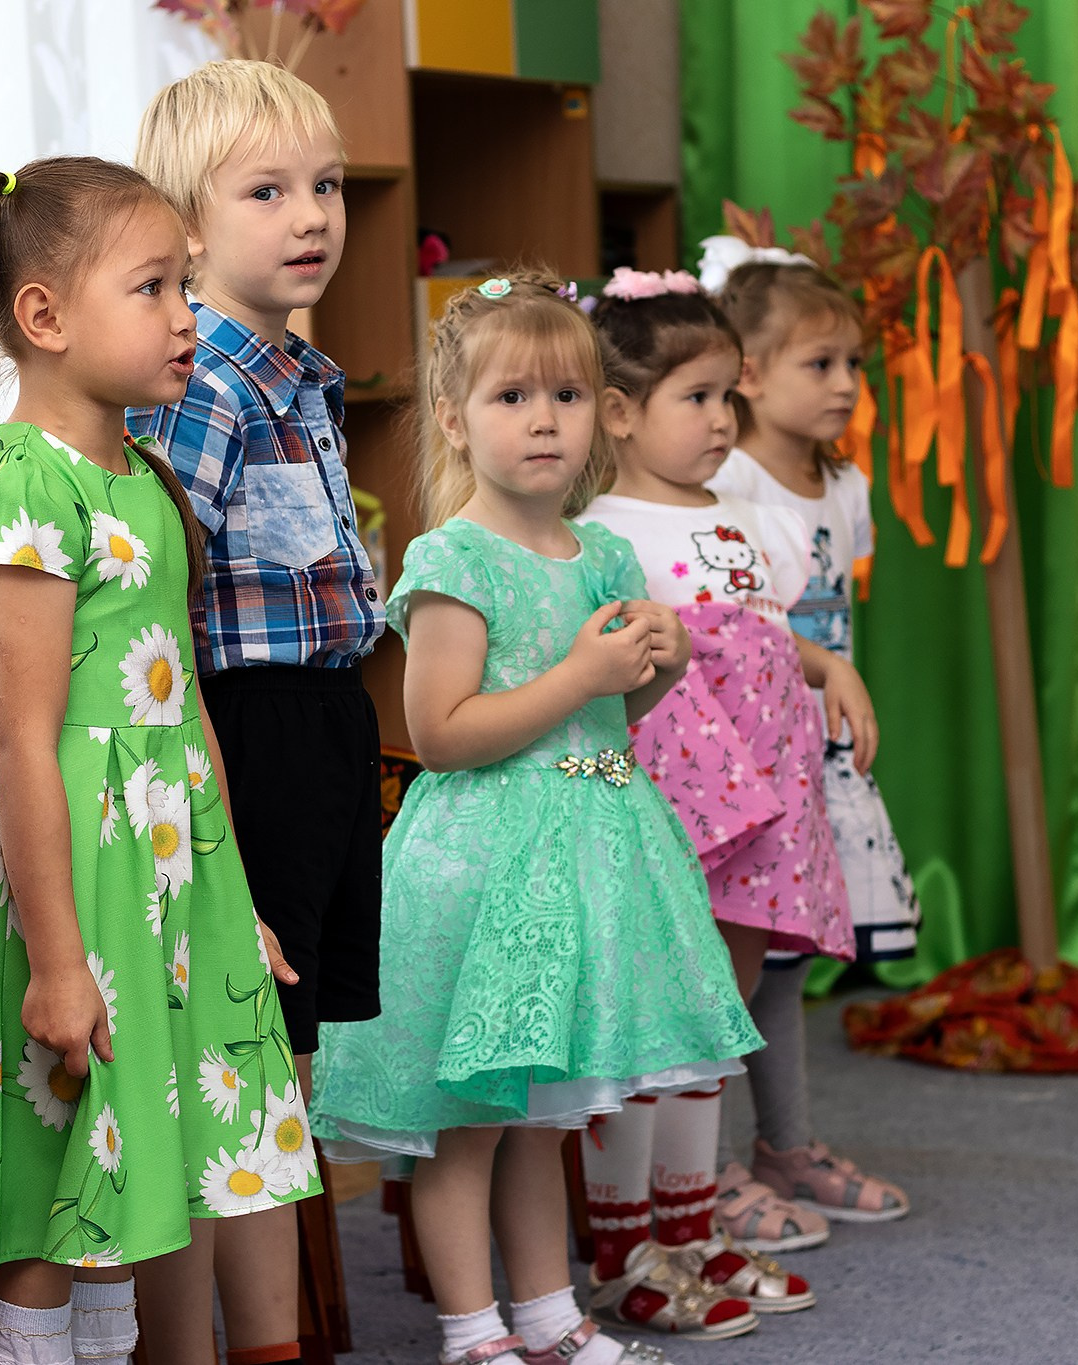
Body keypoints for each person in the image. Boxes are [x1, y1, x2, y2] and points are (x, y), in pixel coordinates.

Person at [314, 274, 766, 1363]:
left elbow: (603, 716)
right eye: (511, 397)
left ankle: (551, 1316)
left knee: (539, 1124)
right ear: (454, 420)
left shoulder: (602, 554)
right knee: (470, 1127)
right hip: (487, 872)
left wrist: (656, 670)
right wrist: (580, 674)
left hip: (588, 859)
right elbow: (440, 733)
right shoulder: (452, 560)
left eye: (566, 395)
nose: (544, 420)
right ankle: (473, 1334)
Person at [0, 156, 316, 1365]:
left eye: (184, 288)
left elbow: (180, 712)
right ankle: (27, 1347)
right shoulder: (23, 479)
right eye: (153, 289)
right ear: (42, 316)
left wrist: (231, 899)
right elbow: (25, 737)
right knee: (53, 1142)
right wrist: (54, 959)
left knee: (127, 1146)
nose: (185, 318)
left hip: (161, 862)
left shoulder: (143, 477)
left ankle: (99, 1344)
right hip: (68, 868)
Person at [128, 58, 384, 1365]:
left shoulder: (304, 375)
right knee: (248, 1047)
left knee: (294, 1049)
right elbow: (159, 599)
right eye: (268, 191)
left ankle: (278, 1332)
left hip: (330, 717)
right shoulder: (199, 385)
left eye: (326, 187)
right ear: (186, 226)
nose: (313, 216)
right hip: (249, 729)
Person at [580, 268, 850, 1325]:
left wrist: (831, 669)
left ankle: (691, 1225)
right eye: (695, 397)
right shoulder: (606, 529)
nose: (721, 419)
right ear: (620, 413)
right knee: (653, 1015)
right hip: (674, 807)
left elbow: (767, 637)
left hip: (764, 798)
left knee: (715, 1013)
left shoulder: (740, 514)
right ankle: (626, 1238)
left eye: (728, 396)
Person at [705, 242, 916, 1237]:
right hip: (744, 755)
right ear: (748, 374)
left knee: (784, 960)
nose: (844, 383)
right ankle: (699, 1174)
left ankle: (783, 1148)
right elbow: (738, 625)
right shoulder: (726, 486)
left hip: (817, 757)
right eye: (819, 363)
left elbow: (834, 607)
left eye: (853, 363)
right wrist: (824, 670)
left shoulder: (845, 485)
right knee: (728, 958)